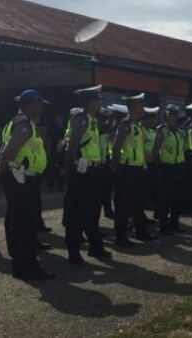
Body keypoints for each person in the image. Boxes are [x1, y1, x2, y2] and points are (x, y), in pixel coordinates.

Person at [0, 89, 54, 280]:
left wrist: (0, 166)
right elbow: (10, 149)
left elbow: (5, 148)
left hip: (21, 178)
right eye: (39, 104)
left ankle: (23, 265)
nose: (41, 108)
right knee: (25, 224)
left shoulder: (17, 123)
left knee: (20, 222)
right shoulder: (24, 125)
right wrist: (1, 167)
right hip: (22, 180)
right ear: (30, 104)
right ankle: (27, 267)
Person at [61, 85, 112, 264]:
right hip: (82, 173)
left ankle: (95, 247)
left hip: (93, 171)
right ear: (91, 102)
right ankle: (73, 251)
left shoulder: (92, 120)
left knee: (92, 211)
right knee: (77, 212)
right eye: (98, 100)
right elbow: (72, 146)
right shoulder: (81, 119)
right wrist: (68, 169)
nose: (100, 103)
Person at [111, 93, 157, 247]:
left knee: (138, 202)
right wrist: (116, 169)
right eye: (141, 105)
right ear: (134, 107)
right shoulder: (126, 124)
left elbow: (138, 146)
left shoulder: (137, 125)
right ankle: (121, 237)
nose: (143, 108)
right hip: (126, 170)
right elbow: (116, 147)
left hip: (137, 169)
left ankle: (140, 231)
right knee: (123, 205)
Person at [152, 104, 188, 234]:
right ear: (166, 116)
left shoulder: (181, 130)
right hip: (166, 167)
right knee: (165, 199)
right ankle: (163, 226)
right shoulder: (161, 130)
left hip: (178, 166)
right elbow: (155, 150)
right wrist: (159, 167)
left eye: (174, 114)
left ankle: (174, 224)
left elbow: (184, 148)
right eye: (169, 114)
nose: (172, 116)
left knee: (177, 198)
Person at [141, 107, 160, 222]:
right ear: (149, 119)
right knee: (142, 191)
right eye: (155, 119)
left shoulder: (152, 131)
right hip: (144, 164)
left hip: (152, 163)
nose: (156, 121)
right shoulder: (141, 130)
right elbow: (138, 147)